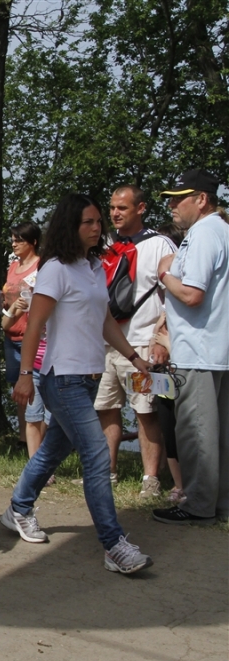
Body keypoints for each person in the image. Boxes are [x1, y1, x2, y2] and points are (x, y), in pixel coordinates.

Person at [1, 193, 153, 575]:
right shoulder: (55, 269)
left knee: (54, 450)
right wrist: (24, 378)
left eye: (98, 221)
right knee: (97, 455)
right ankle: (113, 544)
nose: (97, 226)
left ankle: (18, 507)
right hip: (62, 378)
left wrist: (135, 358)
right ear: (71, 226)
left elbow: (104, 323)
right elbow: (35, 323)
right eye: (89, 222)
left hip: (90, 377)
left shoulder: (92, 266)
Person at [151, 169, 228, 525]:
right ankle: (218, 501)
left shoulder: (201, 234)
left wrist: (164, 273)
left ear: (202, 199)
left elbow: (192, 294)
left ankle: (197, 504)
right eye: (170, 198)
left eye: (179, 198)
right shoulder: (222, 231)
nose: (171, 206)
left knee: (196, 431)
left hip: (199, 349)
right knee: (220, 433)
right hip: (217, 348)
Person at [94, 185, 177, 497]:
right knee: (106, 407)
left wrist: (162, 339)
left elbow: (174, 297)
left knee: (146, 410)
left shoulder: (159, 245)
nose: (115, 213)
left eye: (123, 208)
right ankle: (108, 471)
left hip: (142, 344)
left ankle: (151, 478)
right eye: (113, 207)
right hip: (105, 342)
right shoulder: (103, 244)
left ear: (140, 208)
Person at [1, 222, 49, 458]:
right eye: (13, 239)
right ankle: (24, 437)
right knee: (17, 386)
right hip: (11, 332)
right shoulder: (12, 267)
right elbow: (9, 296)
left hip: (33, 337)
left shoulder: (42, 266)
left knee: (36, 388)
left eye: (19, 240)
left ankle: (42, 441)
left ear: (33, 242)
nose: (14, 244)